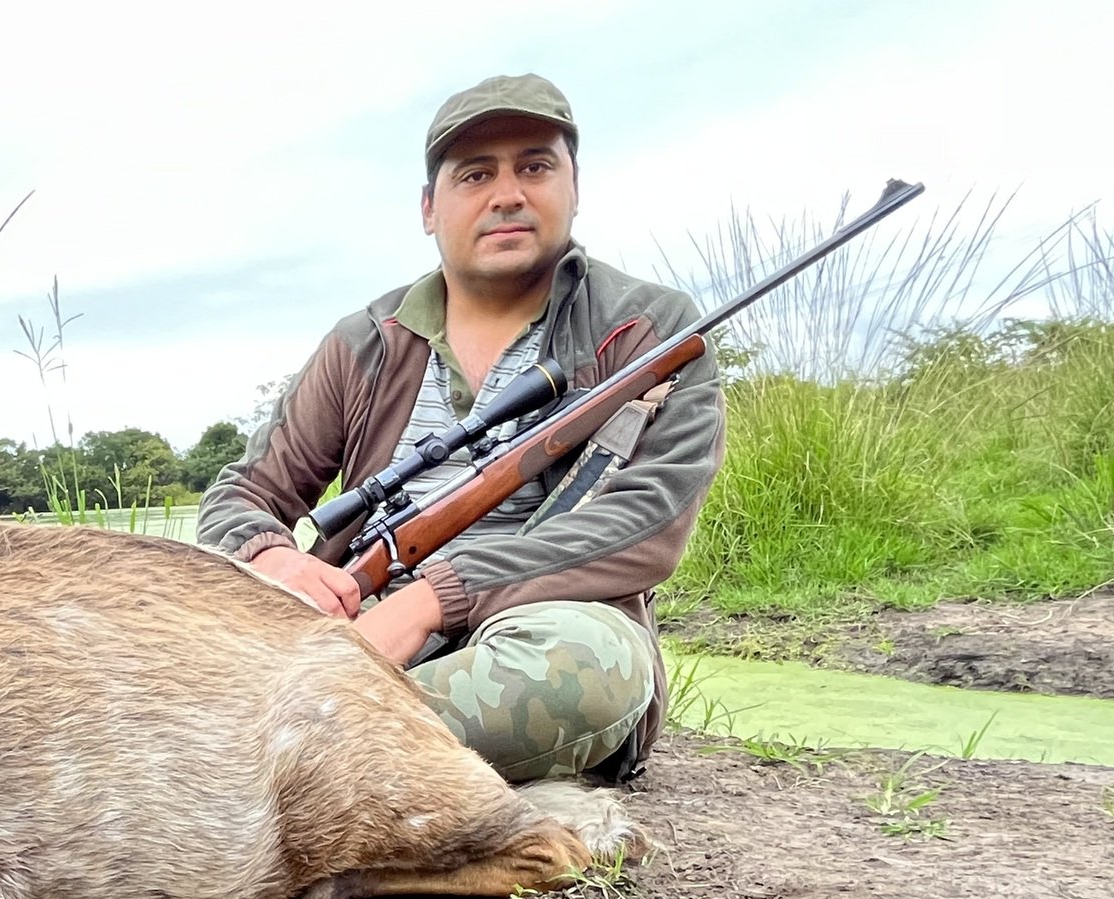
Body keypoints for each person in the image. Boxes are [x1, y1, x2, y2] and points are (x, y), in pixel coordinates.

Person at [197, 74, 725, 784]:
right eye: (475, 173)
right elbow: (241, 494)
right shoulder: (365, 342)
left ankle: (260, 761)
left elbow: (644, 526)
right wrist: (272, 558)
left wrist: (437, 595)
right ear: (428, 208)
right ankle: (319, 764)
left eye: (535, 166)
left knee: (589, 671)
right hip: (358, 638)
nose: (507, 193)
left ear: (575, 187)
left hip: (548, 628)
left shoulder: (649, 332)